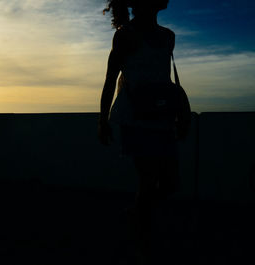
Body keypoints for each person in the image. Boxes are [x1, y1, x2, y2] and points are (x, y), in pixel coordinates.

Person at [99, 0, 186, 264]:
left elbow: (167, 81)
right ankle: (141, 242)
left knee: (169, 183)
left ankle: (137, 212)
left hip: (161, 116)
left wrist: (183, 111)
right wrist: (102, 120)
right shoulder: (125, 35)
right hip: (134, 117)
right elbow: (111, 77)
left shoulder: (168, 36)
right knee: (148, 181)